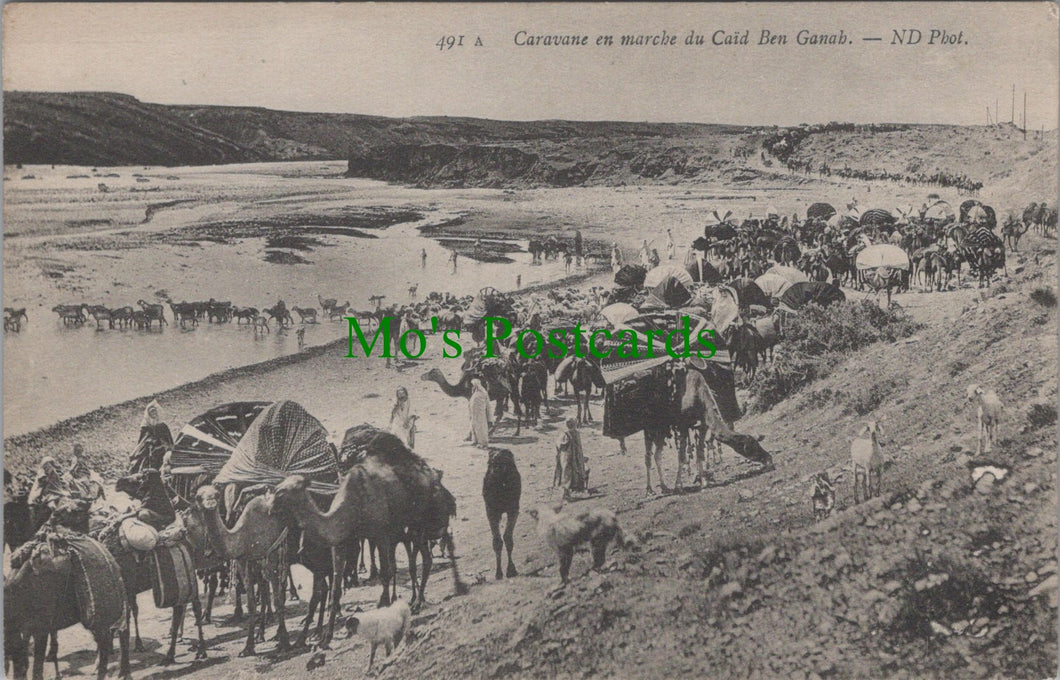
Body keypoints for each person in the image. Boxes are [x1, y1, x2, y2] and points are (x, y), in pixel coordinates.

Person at [129, 399, 173, 473]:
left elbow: (168, 439)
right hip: (150, 448)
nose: (154, 413)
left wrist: (167, 446)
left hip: (162, 447)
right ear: (148, 414)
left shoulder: (162, 425)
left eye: (155, 411)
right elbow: (142, 440)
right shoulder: (145, 426)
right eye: (151, 412)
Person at [555, 418, 588, 500]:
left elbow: (560, 445)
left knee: (572, 471)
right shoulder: (568, 434)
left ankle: (574, 488)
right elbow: (562, 445)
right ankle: (567, 491)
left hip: (572, 456)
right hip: (569, 457)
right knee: (569, 472)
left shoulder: (570, 433)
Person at [469, 378, 491, 448]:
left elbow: (487, 405)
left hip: (481, 415)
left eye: (473, 385)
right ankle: (475, 441)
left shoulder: (482, 393)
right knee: (474, 427)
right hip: (474, 415)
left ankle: (483, 443)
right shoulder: (475, 394)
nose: (472, 387)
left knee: (481, 428)